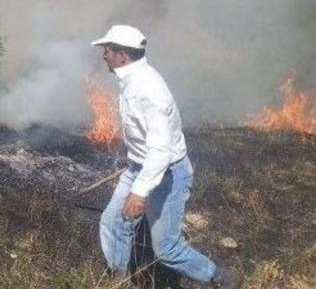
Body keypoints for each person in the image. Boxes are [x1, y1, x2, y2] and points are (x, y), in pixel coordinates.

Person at [92, 25, 240, 288]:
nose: (104, 55)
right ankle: (119, 281)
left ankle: (218, 277)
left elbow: (160, 151)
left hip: (167, 173)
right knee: (113, 222)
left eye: (108, 50)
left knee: (166, 249)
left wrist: (139, 192)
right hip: (140, 167)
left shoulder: (148, 91)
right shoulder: (131, 78)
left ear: (123, 54)